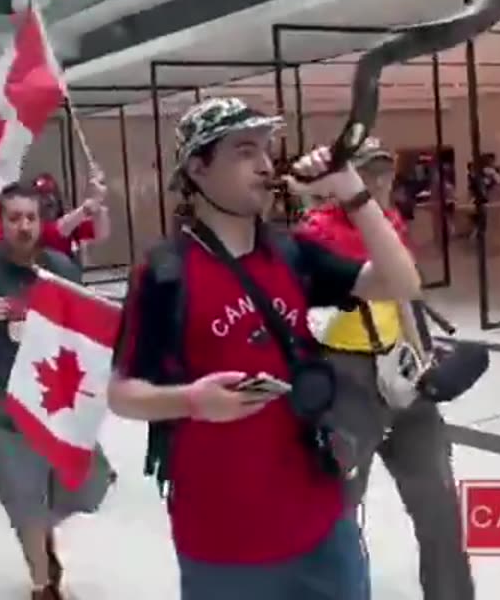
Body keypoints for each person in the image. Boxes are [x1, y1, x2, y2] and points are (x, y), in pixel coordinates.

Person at [108, 97, 422, 600]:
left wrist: (353, 192)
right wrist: (191, 401)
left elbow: (401, 282)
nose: (264, 164)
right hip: (222, 541)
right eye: (244, 151)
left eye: (267, 149)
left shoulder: (291, 251)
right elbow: (123, 392)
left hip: (320, 521)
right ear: (198, 167)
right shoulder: (165, 272)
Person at [294, 138, 472, 600]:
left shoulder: (389, 223)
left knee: (439, 504)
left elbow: (405, 297)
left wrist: (423, 355)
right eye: (366, 172)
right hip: (344, 377)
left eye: (383, 172)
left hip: (401, 367)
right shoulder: (315, 231)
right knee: (341, 509)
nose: (376, 182)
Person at [0, 183, 113, 600]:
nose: (24, 226)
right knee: (23, 502)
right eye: (14, 218)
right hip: (5, 412)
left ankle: (42, 537)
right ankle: (42, 582)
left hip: (59, 407)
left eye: (31, 217)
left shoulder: (61, 268)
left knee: (85, 489)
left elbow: (81, 329)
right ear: (1, 223)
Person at [35, 172, 111, 261]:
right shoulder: (34, 230)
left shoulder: (71, 226)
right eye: (43, 195)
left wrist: (98, 205)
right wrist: (87, 206)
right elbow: (59, 230)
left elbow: (101, 234)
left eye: (52, 194)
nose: (49, 199)